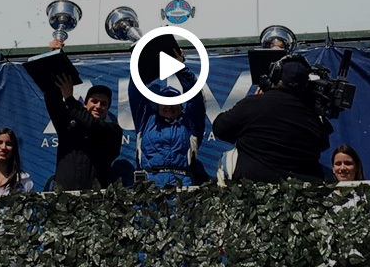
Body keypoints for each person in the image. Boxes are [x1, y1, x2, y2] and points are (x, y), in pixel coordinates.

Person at [213, 55, 333, 182]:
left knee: (228, 158)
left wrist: (255, 104)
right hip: (303, 190)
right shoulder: (313, 116)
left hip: (252, 188)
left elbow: (220, 128)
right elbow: (323, 145)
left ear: (275, 76)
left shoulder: (253, 104)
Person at [45, 38, 123, 190]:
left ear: (108, 109)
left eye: (103, 104)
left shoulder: (113, 131)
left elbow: (93, 126)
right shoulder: (68, 125)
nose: (98, 106)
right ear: (85, 104)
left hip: (96, 199)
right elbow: (52, 100)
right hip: (63, 197)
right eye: (94, 101)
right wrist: (54, 58)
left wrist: (69, 98)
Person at [129, 49, 206, 186]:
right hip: (150, 186)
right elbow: (135, 90)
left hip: (182, 185)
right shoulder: (146, 120)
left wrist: (180, 67)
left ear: (181, 106)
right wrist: (139, 60)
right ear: (157, 105)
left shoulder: (189, 123)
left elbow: (196, 96)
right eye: (164, 102)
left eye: (174, 102)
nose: (169, 106)